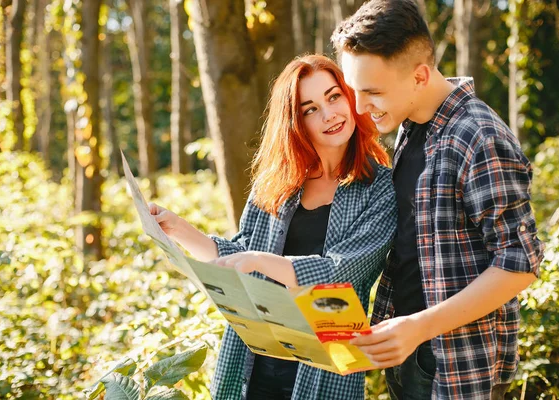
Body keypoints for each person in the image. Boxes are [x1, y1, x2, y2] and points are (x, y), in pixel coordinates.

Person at [149, 54, 397, 400]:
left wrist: (260, 261)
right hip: (255, 358)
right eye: (310, 109)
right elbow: (241, 255)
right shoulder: (279, 184)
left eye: (333, 96)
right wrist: (178, 229)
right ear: (296, 121)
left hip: (327, 364)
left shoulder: (380, 186)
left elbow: (345, 273)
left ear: (350, 96)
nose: (329, 115)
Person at [331, 1, 544, 399]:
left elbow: (520, 264)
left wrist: (420, 327)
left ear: (420, 75)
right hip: (408, 354)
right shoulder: (411, 124)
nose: (360, 107)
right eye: (355, 91)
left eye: (372, 92)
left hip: (460, 368)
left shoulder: (479, 136)